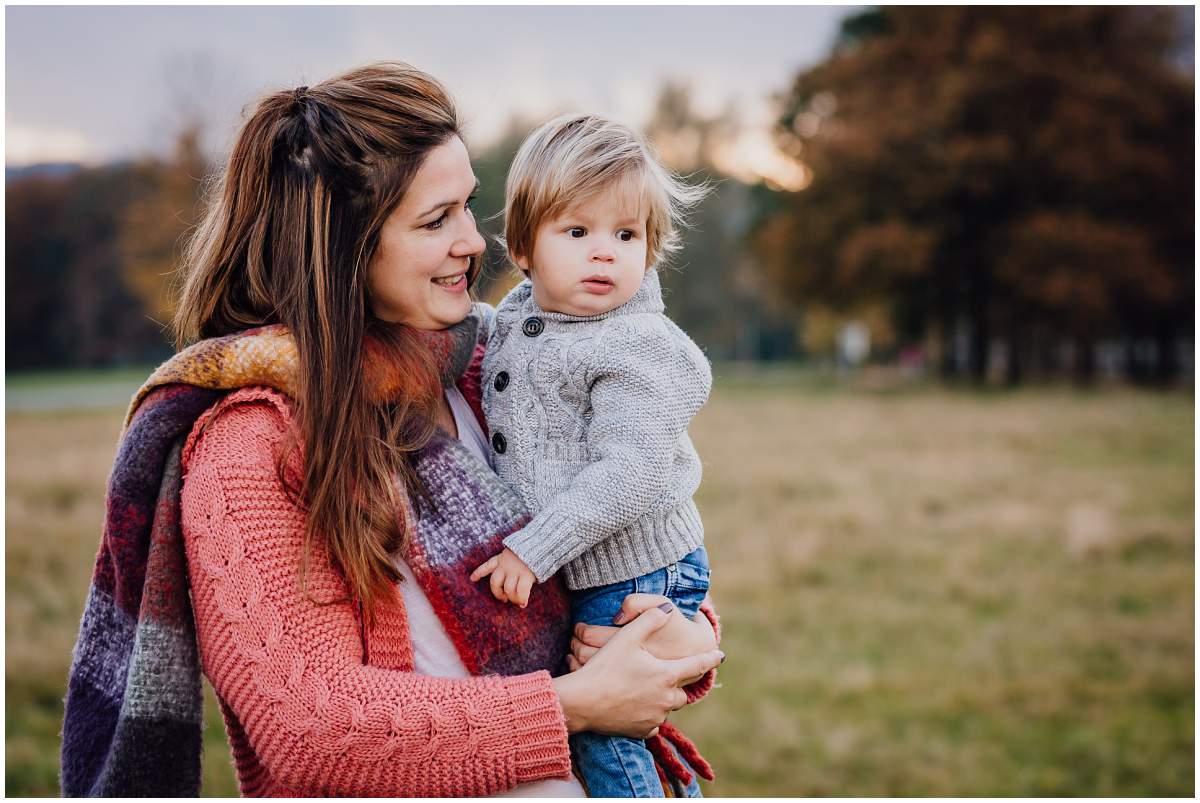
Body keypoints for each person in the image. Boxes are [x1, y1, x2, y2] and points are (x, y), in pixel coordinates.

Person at [59, 62, 723, 797]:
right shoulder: (251, 444)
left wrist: (684, 636)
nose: (476, 241)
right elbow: (311, 727)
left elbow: (633, 541)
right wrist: (575, 704)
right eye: (436, 220)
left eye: (469, 207)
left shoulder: (490, 365)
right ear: (344, 246)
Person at [468, 114, 713, 797]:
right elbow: (489, 343)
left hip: (640, 572)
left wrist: (533, 548)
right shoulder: (524, 314)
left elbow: (630, 474)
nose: (604, 253)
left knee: (606, 732)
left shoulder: (633, 346)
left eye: (626, 234)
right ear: (523, 247)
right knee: (591, 727)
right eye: (578, 232)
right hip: (598, 572)